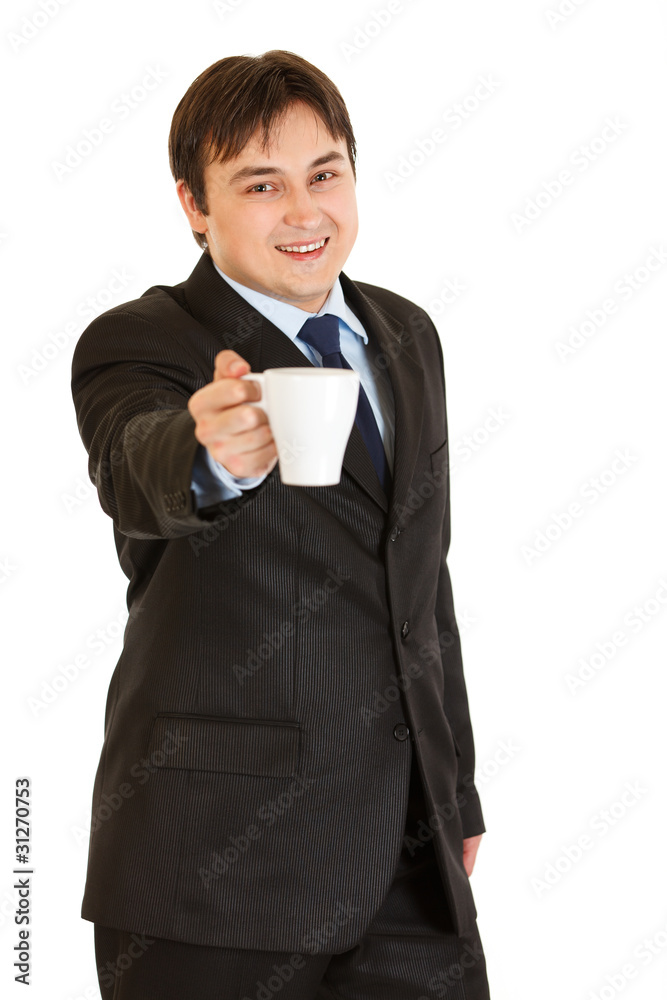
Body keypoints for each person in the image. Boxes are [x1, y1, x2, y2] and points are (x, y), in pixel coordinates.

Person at [71, 49, 491, 1000]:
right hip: (214, 869)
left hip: (409, 862)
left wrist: (454, 788)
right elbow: (136, 468)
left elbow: (422, 578)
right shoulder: (142, 339)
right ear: (194, 204)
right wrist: (211, 452)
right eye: (261, 185)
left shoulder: (405, 333)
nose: (304, 213)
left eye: (324, 174)